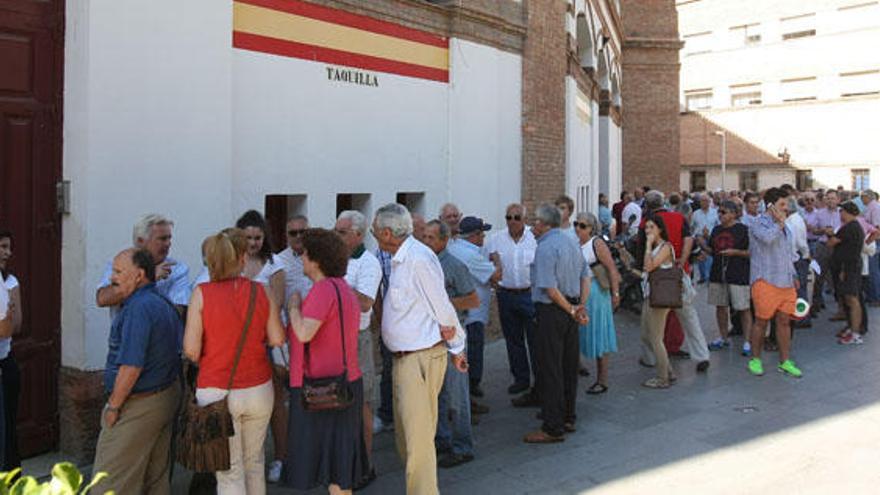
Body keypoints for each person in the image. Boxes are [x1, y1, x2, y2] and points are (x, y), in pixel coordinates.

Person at [372, 203, 467, 495]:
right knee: (408, 440)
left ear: (387, 233)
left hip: (421, 360)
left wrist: (458, 348)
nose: (373, 236)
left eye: (374, 231)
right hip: (405, 361)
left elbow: (443, 308)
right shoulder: (403, 258)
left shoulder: (418, 259)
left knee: (418, 441)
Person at [183, 229, 285, 494]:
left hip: (217, 389)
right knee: (255, 462)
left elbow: (191, 351)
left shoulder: (202, 294)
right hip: (259, 387)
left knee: (229, 471)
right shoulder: (261, 291)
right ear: (242, 259)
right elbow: (276, 338)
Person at [284, 228, 370, 494]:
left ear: (317, 259)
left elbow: (303, 332)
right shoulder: (343, 288)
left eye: (306, 254)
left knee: (331, 465)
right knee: (340, 467)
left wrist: (293, 307)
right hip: (345, 382)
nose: (302, 259)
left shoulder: (323, 290)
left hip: (322, 387)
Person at [91, 249, 183, 495]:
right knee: (154, 480)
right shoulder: (161, 301)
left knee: (107, 483)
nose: (112, 278)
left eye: (119, 272)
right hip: (164, 396)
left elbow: (132, 365)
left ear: (140, 275)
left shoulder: (139, 308)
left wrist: (113, 407)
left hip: (139, 403)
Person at [523, 204, 590, 443]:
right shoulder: (571, 242)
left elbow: (550, 289)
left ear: (544, 224)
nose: (532, 227)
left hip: (554, 312)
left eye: (535, 222)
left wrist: (573, 308)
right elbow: (586, 276)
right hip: (570, 309)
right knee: (568, 365)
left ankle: (553, 426)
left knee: (550, 367)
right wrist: (579, 306)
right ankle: (567, 416)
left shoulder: (546, 248)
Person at [423, 220, 479, 468]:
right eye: (424, 237)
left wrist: (443, 305)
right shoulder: (425, 264)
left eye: (431, 238)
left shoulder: (455, 266)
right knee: (438, 395)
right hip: (431, 338)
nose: (426, 242)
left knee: (457, 395)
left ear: (444, 241)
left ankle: (463, 446)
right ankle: (442, 440)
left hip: (454, 339)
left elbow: (472, 300)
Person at [637, 191, 711, 372]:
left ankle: (650, 357)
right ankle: (702, 355)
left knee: (649, 322)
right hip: (679, 274)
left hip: (657, 278)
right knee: (689, 317)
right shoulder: (679, 217)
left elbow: (642, 253)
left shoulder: (646, 223)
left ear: (646, 205)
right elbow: (688, 240)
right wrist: (683, 260)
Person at [335, 210, 382, 485]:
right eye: (336, 230)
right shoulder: (337, 259)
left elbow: (365, 302)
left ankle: (366, 464)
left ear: (358, 235)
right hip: (335, 340)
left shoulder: (368, 263)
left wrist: (334, 286)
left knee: (362, 403)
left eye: (342, 232)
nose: (336, 235)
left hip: (357, 338)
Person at [747, 188, 802, 378]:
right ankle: (755, 359)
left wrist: (794, 275)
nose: (786, 208)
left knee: (784, 321)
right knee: (761, 321)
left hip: (785, 280)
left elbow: (788, 253)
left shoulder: (786, 226)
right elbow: (767, 239)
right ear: (770, 206)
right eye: (782, 205)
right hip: (765, 279)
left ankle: (785, 361)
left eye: (786, 205)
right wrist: (779, 224)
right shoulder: (756, 223)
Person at [485, 204, 538, 398]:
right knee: (513, 340)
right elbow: (487, 263)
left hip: (530, 295)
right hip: (506, 295)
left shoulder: (534, 238)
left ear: (524, 219)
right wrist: (494, 279)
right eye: (509, 217)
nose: (512, 221)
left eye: (517, 217)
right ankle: (520, 379)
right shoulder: (496, 239)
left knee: (535, 340)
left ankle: (539, 381)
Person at [447, 216, 501, 399]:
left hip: (459, 313)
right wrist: (497, 259)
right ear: (475, 235)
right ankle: (469, 399)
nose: (484, 238)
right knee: (473, 357)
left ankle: (466, 397)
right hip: (473, 314)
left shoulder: (453, 249)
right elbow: (496, 276)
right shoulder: (472, 255)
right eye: (482, 234)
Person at [96, 214, 191, 318]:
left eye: (169, 238)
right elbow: (103, 299)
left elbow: (177, 314)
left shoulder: (177, 269)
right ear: (140, 241)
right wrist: (149, 278)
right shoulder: (119, 264)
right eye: (162, 239)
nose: (168, 243)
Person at [573, 213, 620, 394]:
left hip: (596, 293)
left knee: (599, 333)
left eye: (582, 226)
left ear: (591, 228)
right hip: (579, 292)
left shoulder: (596, 243)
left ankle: (602, 379)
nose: (578, 228)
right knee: (578, 332)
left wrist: (615, 293)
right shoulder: (575, 244)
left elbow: (611, 268)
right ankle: (578, 366)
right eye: (576, 224)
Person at [705, 201, 752, 351]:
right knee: (720, 306)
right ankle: (723, 337)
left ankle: (747, 340)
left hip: (738, 273)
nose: (720, 215)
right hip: (718, 272)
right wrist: (701, 244)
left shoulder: (743, 230)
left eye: (723, 212)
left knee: (743, 307)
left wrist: (735, 252)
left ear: (733, 213)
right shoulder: (716, 229)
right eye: (719, 212)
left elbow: (752, 253)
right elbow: (712, 249)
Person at [640, 216, 677, 388]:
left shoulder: (665, 247)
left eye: (652, 227)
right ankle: (668, 370)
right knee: (646, 335)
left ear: (660, 229)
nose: (648, 231)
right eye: (646, 227)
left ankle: (663, 378)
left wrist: (647, 246)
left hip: (660, 297)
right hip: (650, 295)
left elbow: (649, 266)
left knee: (655, 337)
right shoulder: (655, 248)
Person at [830, 202, 866, 345]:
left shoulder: (849, 228)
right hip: (850, 266)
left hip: (849, 267)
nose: (840, 214)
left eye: (842, 211)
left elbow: (832, 243)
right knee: (849, 298)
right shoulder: (855, 227)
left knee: (852, 299)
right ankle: (853, 328)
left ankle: (855, 333)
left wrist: (829, 235)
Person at [0, 230, 21, 470]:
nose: (8, 253)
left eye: (9, 247)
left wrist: (8, 317)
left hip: (5, 363)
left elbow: (15, 326)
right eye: (3, 246)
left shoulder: (9, 281)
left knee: (7, 427)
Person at [692, 194, 719, 284]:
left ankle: (709, 276)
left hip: (711, 237)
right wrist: (696, 236)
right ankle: (703, 276)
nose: (704, 203)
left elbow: (718, 225)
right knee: (701, 258)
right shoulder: (696, 213)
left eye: (706, 201)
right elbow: (692, 226)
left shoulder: (715, 212)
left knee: (710, 257)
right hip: (700, 238)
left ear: (710, 202)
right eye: (702, 201)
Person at [860, 190, 880, 305]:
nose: (862, 200)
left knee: (873, 270)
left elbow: (877, 228)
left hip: (874, 242)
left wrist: (868, 242)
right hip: (873, 240)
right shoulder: (870, 207)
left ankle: (875, 297)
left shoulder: (875, 207)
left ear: (867, 197)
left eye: (862, 197)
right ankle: (872, 295)